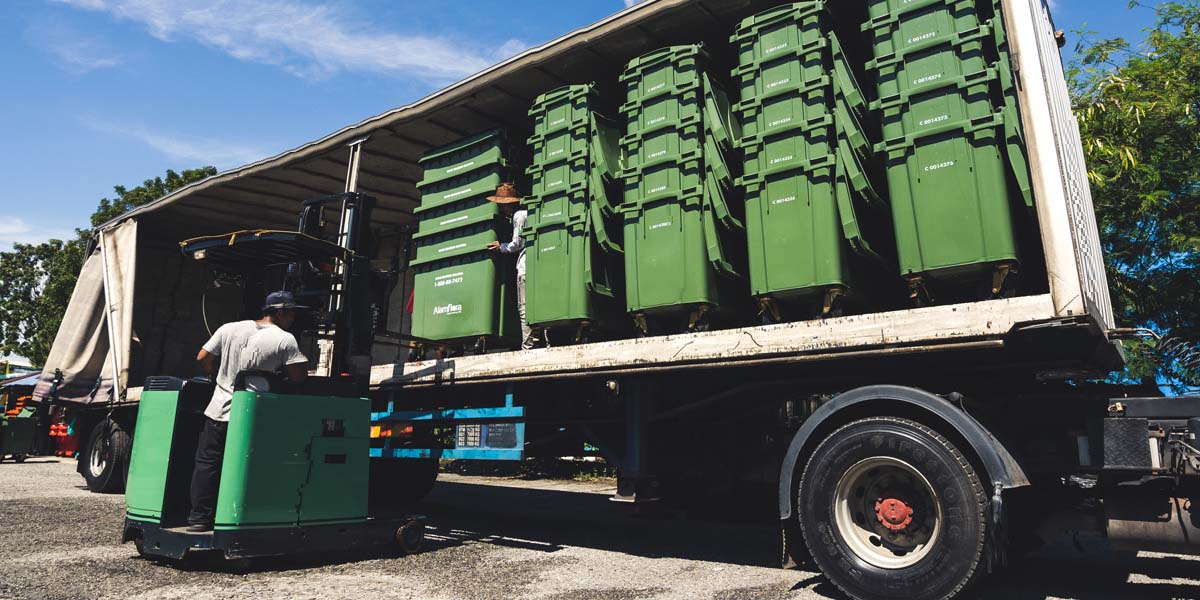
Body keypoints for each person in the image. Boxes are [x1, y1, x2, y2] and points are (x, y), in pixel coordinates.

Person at [186, 291, 309, 532]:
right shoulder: (285, 339)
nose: (293, 317)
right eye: (291, 312)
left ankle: (199, 518)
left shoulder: (229, 328)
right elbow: (298, 377)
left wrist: (216, 375)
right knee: (250, 464)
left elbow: (203, 356)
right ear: (279, 312)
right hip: (253, 414)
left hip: (219, 410)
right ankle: (242, 515)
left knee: (208, 463)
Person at [486, 183, 535, 350]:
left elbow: (517, 243)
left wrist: (501, 247)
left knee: (524, 308)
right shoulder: (527, 213)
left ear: (509, 203)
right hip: (533, 265)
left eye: (502, 203)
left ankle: (527, 346)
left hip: (525, 267)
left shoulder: (519, 216)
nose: (500, 207)